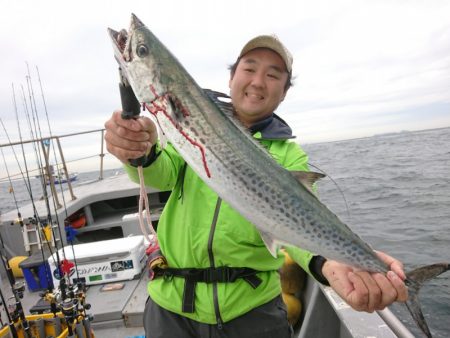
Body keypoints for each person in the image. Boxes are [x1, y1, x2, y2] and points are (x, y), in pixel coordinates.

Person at [104, 35, 408, 337]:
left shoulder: (289, 154)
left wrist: (325, 262)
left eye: (273, 75)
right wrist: (139, 151)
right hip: (171, 308)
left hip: (252, 312)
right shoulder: (191, 121)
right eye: (249, 69)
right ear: (232, 76)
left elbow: (302, 222)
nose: (258, 81)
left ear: (284, 92)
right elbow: (161, 173)